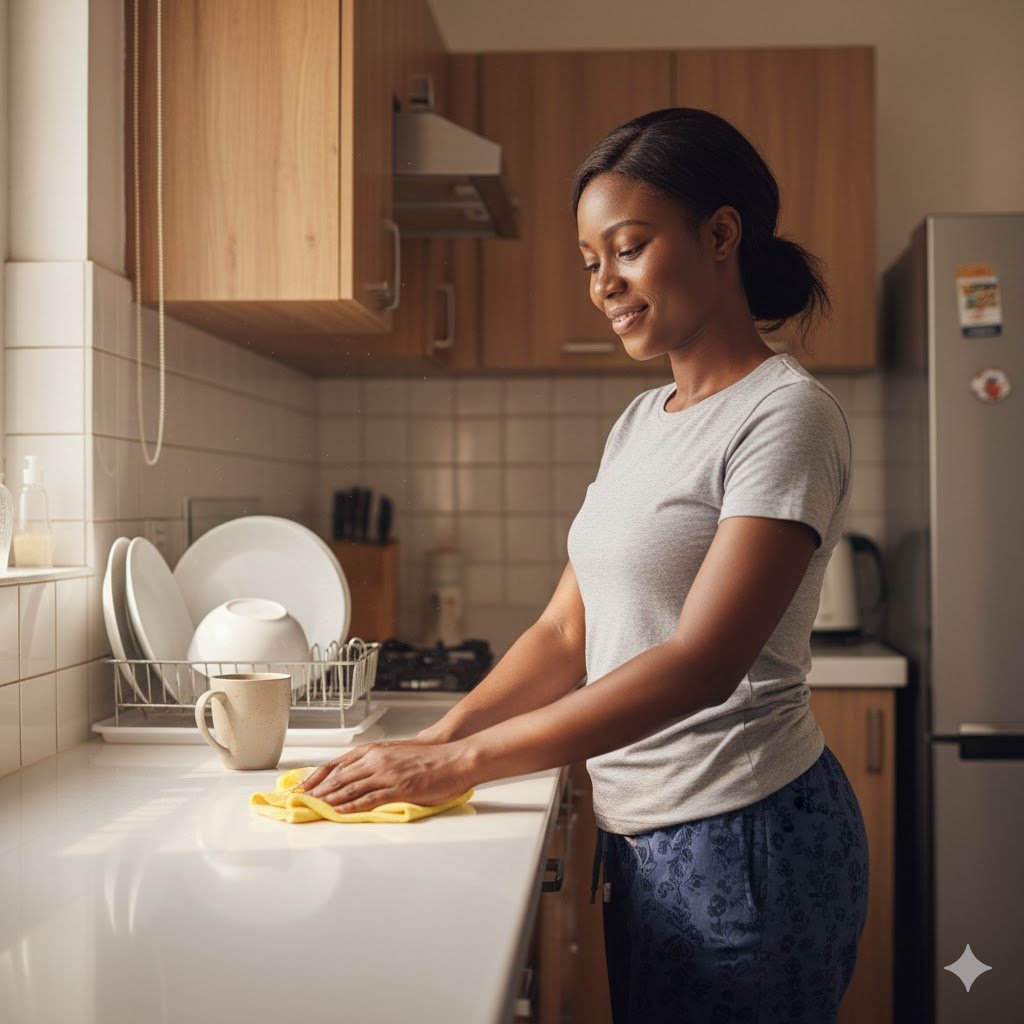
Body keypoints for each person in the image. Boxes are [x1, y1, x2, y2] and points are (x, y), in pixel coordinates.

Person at [301, 107, 868, 1024]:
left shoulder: (786, 417)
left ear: (721, 235)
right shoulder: (641, 421)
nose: (604, 284)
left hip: (749, 839)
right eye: (590, 263)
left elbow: (701, 663)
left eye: (628, 248)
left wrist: (468, 764)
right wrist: (435, 742)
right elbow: (568, 629)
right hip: (640, 837)